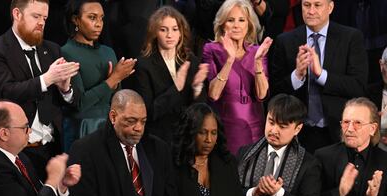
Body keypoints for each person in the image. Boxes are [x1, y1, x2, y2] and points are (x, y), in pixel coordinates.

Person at [0, 0, 81, 180]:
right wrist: (48, 78)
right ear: (17, 14)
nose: (41, 23)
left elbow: (73, 100)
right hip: (17, 151)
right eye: (36, 16)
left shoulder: (52, 49)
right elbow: (5, 93)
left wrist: (65, 88)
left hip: (54, 148)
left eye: (44, 18)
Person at [270, 0, 368, 153]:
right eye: (306, 5)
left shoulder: (350, 38)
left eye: (317, 5)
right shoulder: (285, 41)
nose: (311, 11)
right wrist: (297, 76)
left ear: (330, 7)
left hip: (337, 131)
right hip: (298, 132)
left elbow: (358, 86)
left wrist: (321, 75)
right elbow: (276, 91)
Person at [68, 89, 177, 196]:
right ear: (113, 117)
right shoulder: (86, 150)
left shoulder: (159, 149)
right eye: (131, 121)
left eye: (143, 121)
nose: (139, 128)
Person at [0, 100, 81, 196]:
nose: (30, 131)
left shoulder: (20, 155)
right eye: (25, 127)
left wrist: (61, 184)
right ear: (4, 134)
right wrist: (52, 179)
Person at [61, 0, 136, 151]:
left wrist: (114, 82)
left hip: (109, 126)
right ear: (76, 19)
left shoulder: (108, 52)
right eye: (92, 17)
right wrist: (113, 79)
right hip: (82, 129)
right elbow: (80, 104)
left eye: (101, 18)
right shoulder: (66, 52)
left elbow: (116, 99)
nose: (99, 23)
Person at [202, 0, 273, 155]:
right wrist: (229, 60)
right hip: (225, 128)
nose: (236, 25)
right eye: (230, 20)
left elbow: (262, 95)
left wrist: (258, 63)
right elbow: (213, 94)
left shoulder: (257, 52)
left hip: (255, 128)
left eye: (241, 20)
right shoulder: (211, 49)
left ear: (249, 24)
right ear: (222, 24)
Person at [238, 94, 321, 196]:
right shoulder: (246, 153)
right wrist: (254, 193)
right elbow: (229, 195)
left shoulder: (308, 164)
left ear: (297, 129)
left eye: (282, 126)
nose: (274, 130)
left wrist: (278, 193)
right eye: (271, 122)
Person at [134, 6, 208, 144]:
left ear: (181, 32)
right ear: (155, 33)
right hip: (159, 140)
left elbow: (200, 109)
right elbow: (149, 112)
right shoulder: (144, 65)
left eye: (175, 29)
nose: (169, 35)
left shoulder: (191, 61)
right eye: (163, 29)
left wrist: (197, 89)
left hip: (187, 139)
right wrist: (176, 87)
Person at [315, 97, 387, 196]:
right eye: (346, 122)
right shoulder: (323, 156)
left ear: (372, 128)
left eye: (357, 123)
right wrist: (339, 193)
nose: (349, 129)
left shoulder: (384, 161)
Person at [173, 103, 246, 196]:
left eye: (213, 133)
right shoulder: (175, 165)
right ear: (191, 132)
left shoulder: (227, 163)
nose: (209, 140)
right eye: (203, 132)